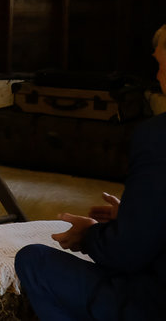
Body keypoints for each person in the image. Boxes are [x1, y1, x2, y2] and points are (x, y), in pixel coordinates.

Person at [14, 24, 166, 320]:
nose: (158, 76)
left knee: (33, 260)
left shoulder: (157, 137)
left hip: (153, 304)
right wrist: (132, 217)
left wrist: (90, 236)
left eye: (160, 65)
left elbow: (127, 253)